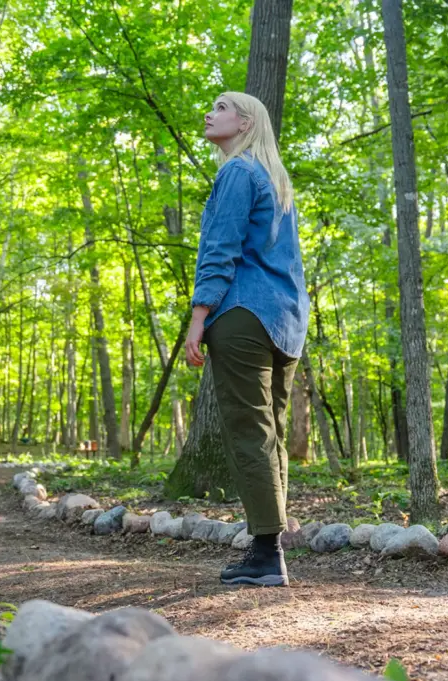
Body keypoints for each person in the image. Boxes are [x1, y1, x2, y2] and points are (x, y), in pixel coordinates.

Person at [184, 91, 309, 587]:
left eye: (220, 107)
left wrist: (199, 317)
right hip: (285, 320)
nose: (209, 113)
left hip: (241, 313)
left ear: (245, 122)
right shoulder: (276, 182)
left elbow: (219, 250)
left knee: (249, 430)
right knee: (271, 431)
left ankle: (264, 552)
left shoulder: (237, 172)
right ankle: (270, 548)